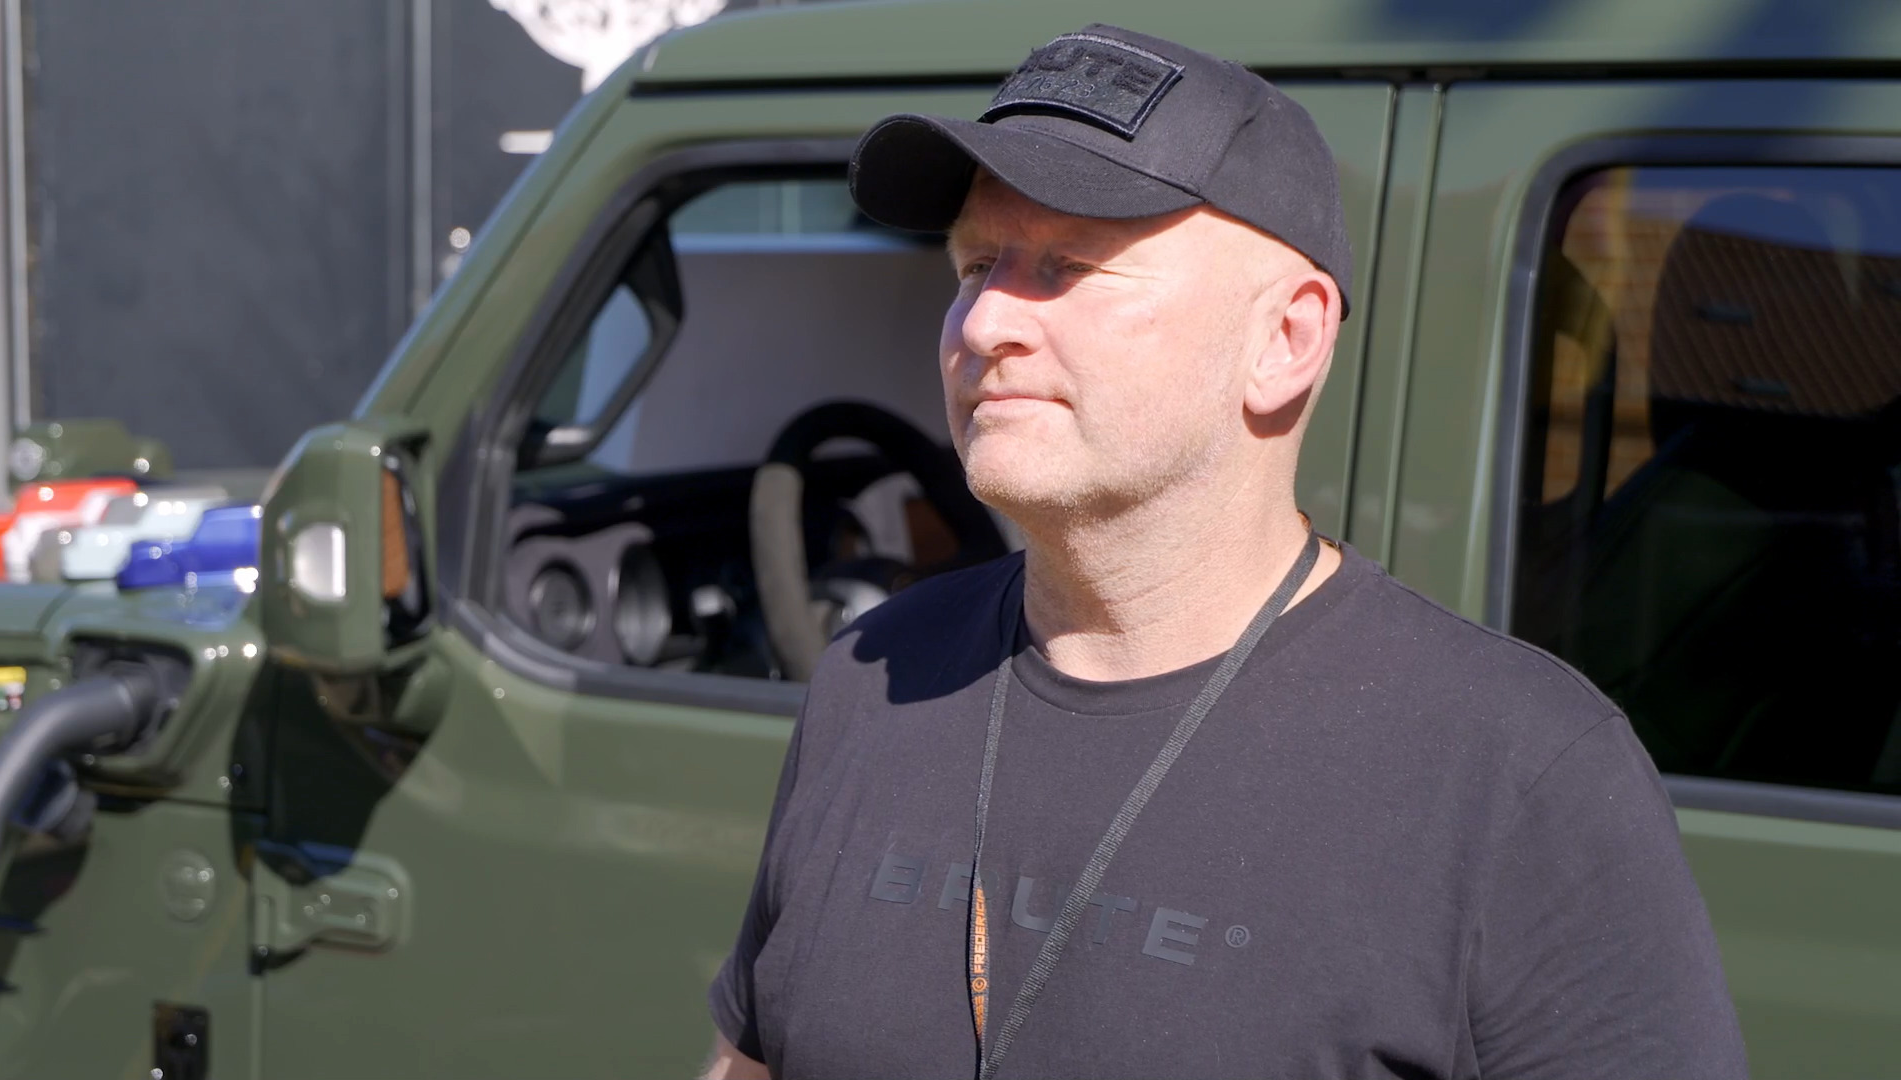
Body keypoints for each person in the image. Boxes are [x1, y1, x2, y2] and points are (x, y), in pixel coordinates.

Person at [703, 24, 1748, 1080]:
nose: (983, 326)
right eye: (977, 265)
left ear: (1285, 340)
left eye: (1070, 265)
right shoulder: (874, 675)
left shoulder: (1521, 775)